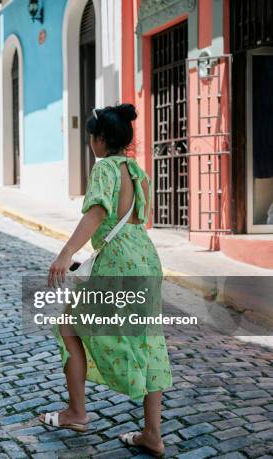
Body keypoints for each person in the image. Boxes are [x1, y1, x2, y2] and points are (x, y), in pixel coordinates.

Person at [39, 104, 172, 457]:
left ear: (100, 139)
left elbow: (98, 214)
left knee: (68, 327)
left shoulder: (105, 169)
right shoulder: (137, 171)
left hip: (117, 265)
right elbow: (137, 218)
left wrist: (66, 253)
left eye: (90, 138)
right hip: (145, 258)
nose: (90, 145)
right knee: (147, 340)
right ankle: (153, 434)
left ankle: (77, 412)